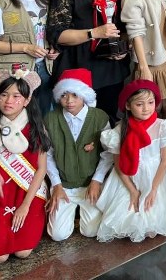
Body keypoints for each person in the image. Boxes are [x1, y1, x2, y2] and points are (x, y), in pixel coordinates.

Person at [96, 80, 166, 242]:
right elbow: (119, 165)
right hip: (129, 176)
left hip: (158, 176)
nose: (146, 108)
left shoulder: (163, 126)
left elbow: (165, 161)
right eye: (139, 104)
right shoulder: (119, 131)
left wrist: (153, 189)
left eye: (150, 102)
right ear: (128, 106)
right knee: (126, 216)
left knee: (152, 217)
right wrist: (133, 191)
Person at [47, 0, 130, 122]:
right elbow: (57, 35)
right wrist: (93, 33)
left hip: (111, 68)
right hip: (79, 67)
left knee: (109, 117)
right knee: (80, 121)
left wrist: (123, 48)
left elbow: (125, 28)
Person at [0, 70, 50, 265]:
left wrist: (25, 206)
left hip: (28, 194)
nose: (8, 101)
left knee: (23, 253)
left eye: (16, 96)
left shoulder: (37, 129)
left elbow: (41, 169)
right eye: (4, 94)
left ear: (27, 100)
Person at [44, 68, 112, 242]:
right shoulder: (50, 119)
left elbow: (108, 153)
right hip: (63, 186)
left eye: (75, 95)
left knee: (91, 231)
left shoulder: (99, 117)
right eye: (64, 95)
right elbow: (47, 155)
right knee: (57, 235)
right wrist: (56, 184)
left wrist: (97, 180)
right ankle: (68, 214)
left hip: (90, 184)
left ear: (85, 95)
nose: (69, 101)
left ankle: (81, 214)